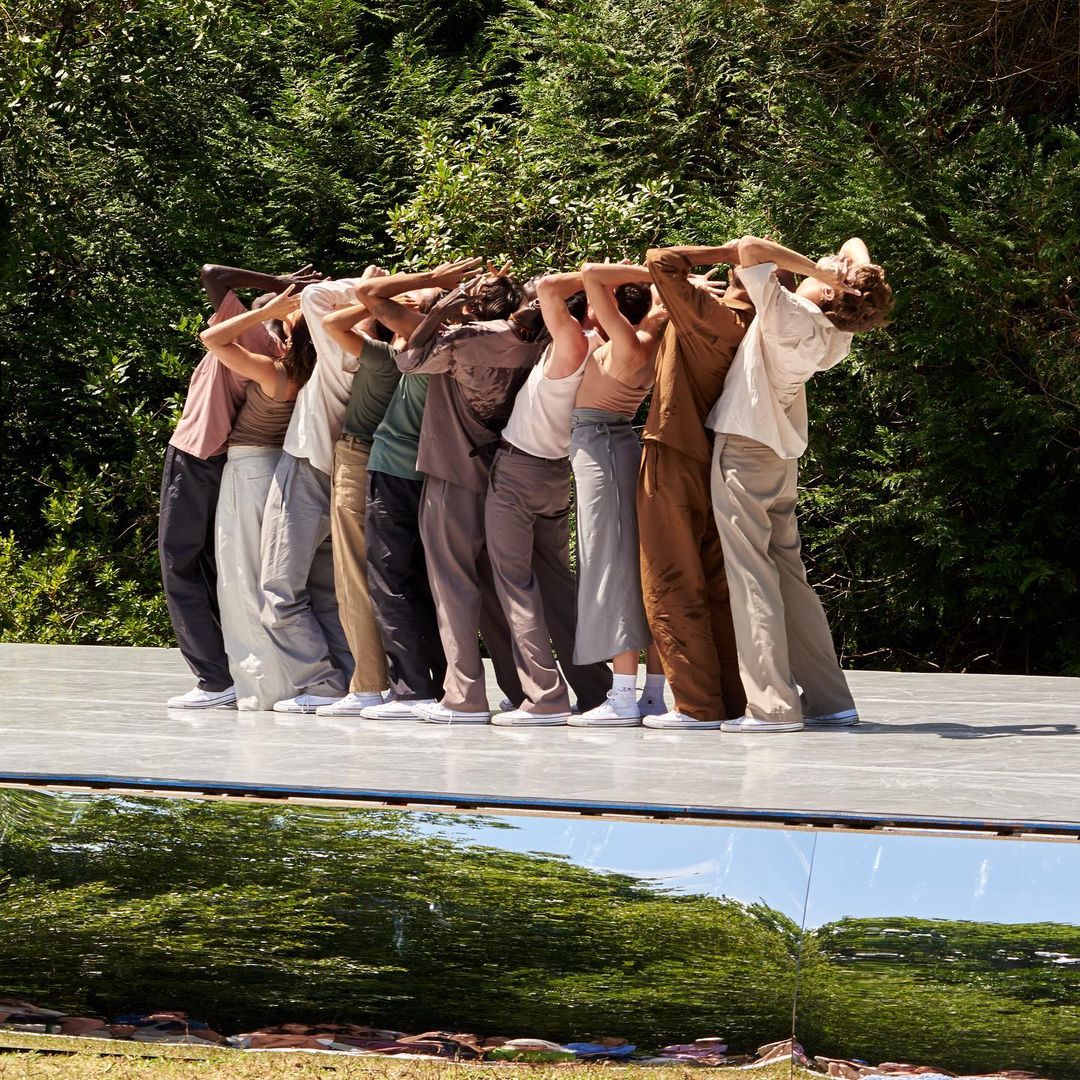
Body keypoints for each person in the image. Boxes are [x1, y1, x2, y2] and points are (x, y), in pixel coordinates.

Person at [708, 235, 893, 733]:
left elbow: (749, 247)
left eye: (827, 270)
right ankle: (831, 701)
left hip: (744, 449)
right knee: (791, 577)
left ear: (832, 289)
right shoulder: (836, 333)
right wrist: (848, 276)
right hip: (777, 457)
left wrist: (824, 271)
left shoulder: (789, 314)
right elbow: (855, 244)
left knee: (752, 578)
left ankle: (772, 707)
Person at [312, 260, 480, 717]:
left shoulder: (420, 348)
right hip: (427, 471)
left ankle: (405, 688)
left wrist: (426, 284)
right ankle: (427, 682)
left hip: (391, 468)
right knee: (417, 580)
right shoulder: (466, 349)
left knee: (384, 579)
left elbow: (353, 304)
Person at [160, 262, 321, 709]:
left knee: (178, 563)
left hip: (198, 451)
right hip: (220, 455)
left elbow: (213, 274)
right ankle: (226, 669)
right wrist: (279, 292)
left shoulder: (253, 337)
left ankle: (215, 679)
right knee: (212, 566)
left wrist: (279, 286)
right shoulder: (277, 348)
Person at [393, 269, 544, 724]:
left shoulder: (466, 339)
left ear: (473, 305)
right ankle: (522, 689)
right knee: (503, 588)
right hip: (508, 472)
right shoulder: (537, 340)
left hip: (454, 470)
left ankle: (465, 695)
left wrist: (438, 311)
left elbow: (408, 360)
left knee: (453, 585)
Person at [634, 242, 756, 729]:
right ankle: (730, 700)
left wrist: (731, 250)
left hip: (674, 450)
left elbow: (660, 260)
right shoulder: (755, 324)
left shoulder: (716, 318)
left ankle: (696, 705)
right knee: (716, 587)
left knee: (669, 580)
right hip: (718, 460)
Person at [482, 272, 612, 725]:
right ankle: (596, 689)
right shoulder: (607, 345)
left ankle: (545, 696)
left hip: (519, 470)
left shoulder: (572, 344)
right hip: (556, 472)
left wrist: (594, 277)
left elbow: (549, 288)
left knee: (516, 587)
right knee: (559, 586)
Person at [259, 268, 386, 713]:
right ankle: (348, 679)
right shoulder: (378, 360)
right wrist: (369, 290)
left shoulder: (340, 356)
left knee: (279, 590)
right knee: (329, 592)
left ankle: (320, 683)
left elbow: (315, 297)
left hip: (306, 469)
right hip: (343, 476)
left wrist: (366, 290)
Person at [197, 285, 312, 709]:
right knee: (277, 578)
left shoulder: (273, 371)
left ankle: (263, 687)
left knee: (242, 579)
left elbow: (212, 339)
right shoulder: (314, 372)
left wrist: (268, 311)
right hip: (282, 470)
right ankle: (294, 679)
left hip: (249, 471)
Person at [565, 262, 669, 726]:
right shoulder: (655, 334)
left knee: (609, 566)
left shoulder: (627, 341)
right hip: (616, 446)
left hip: (601, 451)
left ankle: (623, 696)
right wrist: (662, 285)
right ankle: (652, 695)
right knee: (630, 565)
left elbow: (590, 272)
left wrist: (651, 272)